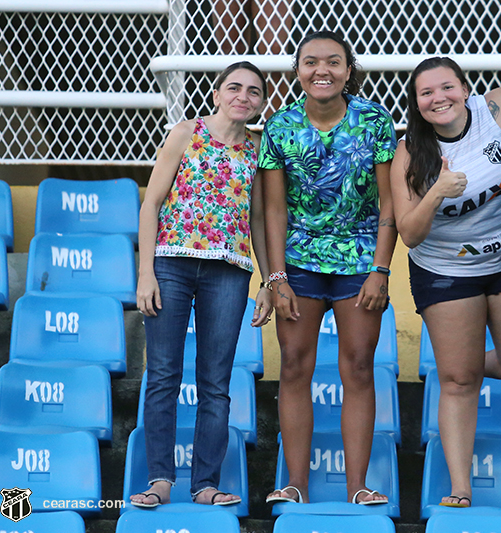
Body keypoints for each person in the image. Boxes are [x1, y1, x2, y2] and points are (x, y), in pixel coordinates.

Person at [260, 30, 397, 506]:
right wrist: (276, 276)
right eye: (311, 62)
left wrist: (381, 268)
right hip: (298, 263)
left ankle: (357, 485)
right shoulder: (279, 128)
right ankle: (295, 483)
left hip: (360, 262)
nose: (322, 70)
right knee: (295, 367)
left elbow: (388, 204)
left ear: (348, 70)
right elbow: (274, 212)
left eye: (334, 62)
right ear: (296, 71)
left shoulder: (375, 120)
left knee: (359, 367)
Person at [131, 61, 273, 508]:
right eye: (234, 87)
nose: (242, 97)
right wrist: (145, 272)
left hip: (229, 273)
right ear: (216, 93)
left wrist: (270, 280)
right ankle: (159, 481)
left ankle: (205, 484)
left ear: (261, 103)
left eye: (253, 91)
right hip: (171, 265)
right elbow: (151, 204)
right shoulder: (184, 133)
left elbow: (256, 221)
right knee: (164, 375)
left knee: (215, 382)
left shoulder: (258, 151)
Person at [390, 56, 501, 508]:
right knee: (459, 381)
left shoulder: (496, 110)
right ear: (416, 103)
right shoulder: (409, 151)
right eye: (426, 93)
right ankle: (460, 487)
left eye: (446, 87)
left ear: (465, 89)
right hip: (446, 273)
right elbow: (408, 232)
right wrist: (437, 191)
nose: (438, 98)